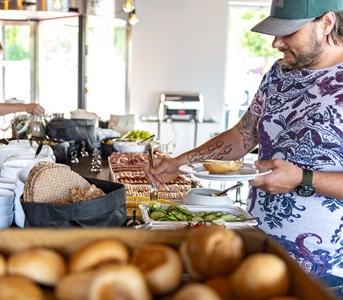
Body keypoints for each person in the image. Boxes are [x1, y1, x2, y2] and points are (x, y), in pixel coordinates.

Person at [145, 0, 343, 297]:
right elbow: (242, 135)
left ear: (326, 23)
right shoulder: (279, 74)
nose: (276, 42)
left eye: (288, 32)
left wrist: (303, 179)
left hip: (323, 271)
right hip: (255, 246)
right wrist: (178, 163)